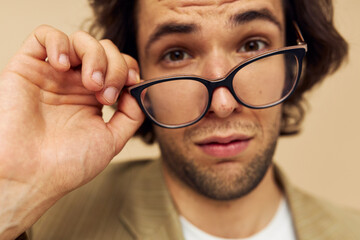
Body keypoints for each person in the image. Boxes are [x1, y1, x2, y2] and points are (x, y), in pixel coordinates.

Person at [0, 0, 359, 239]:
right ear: (134, 75)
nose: (221, 103)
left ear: (291, 61)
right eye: (177, 54)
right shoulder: (40, 223)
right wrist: (13, 187)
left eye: (253, 45)